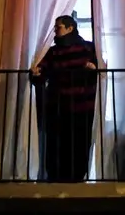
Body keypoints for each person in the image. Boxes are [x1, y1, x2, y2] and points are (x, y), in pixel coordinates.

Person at [30, 15, 98, 182]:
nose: (55, 30)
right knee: (57, 144)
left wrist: (93, 69)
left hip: (81, 106)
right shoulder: (52, 52)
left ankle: (76, 178)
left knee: (79, 143)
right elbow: (41, 73)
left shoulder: (88, 48)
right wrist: (36, 74)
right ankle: (57, 177)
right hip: (59, 107)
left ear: (70, 28)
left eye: (58, 27)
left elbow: (98, 73)